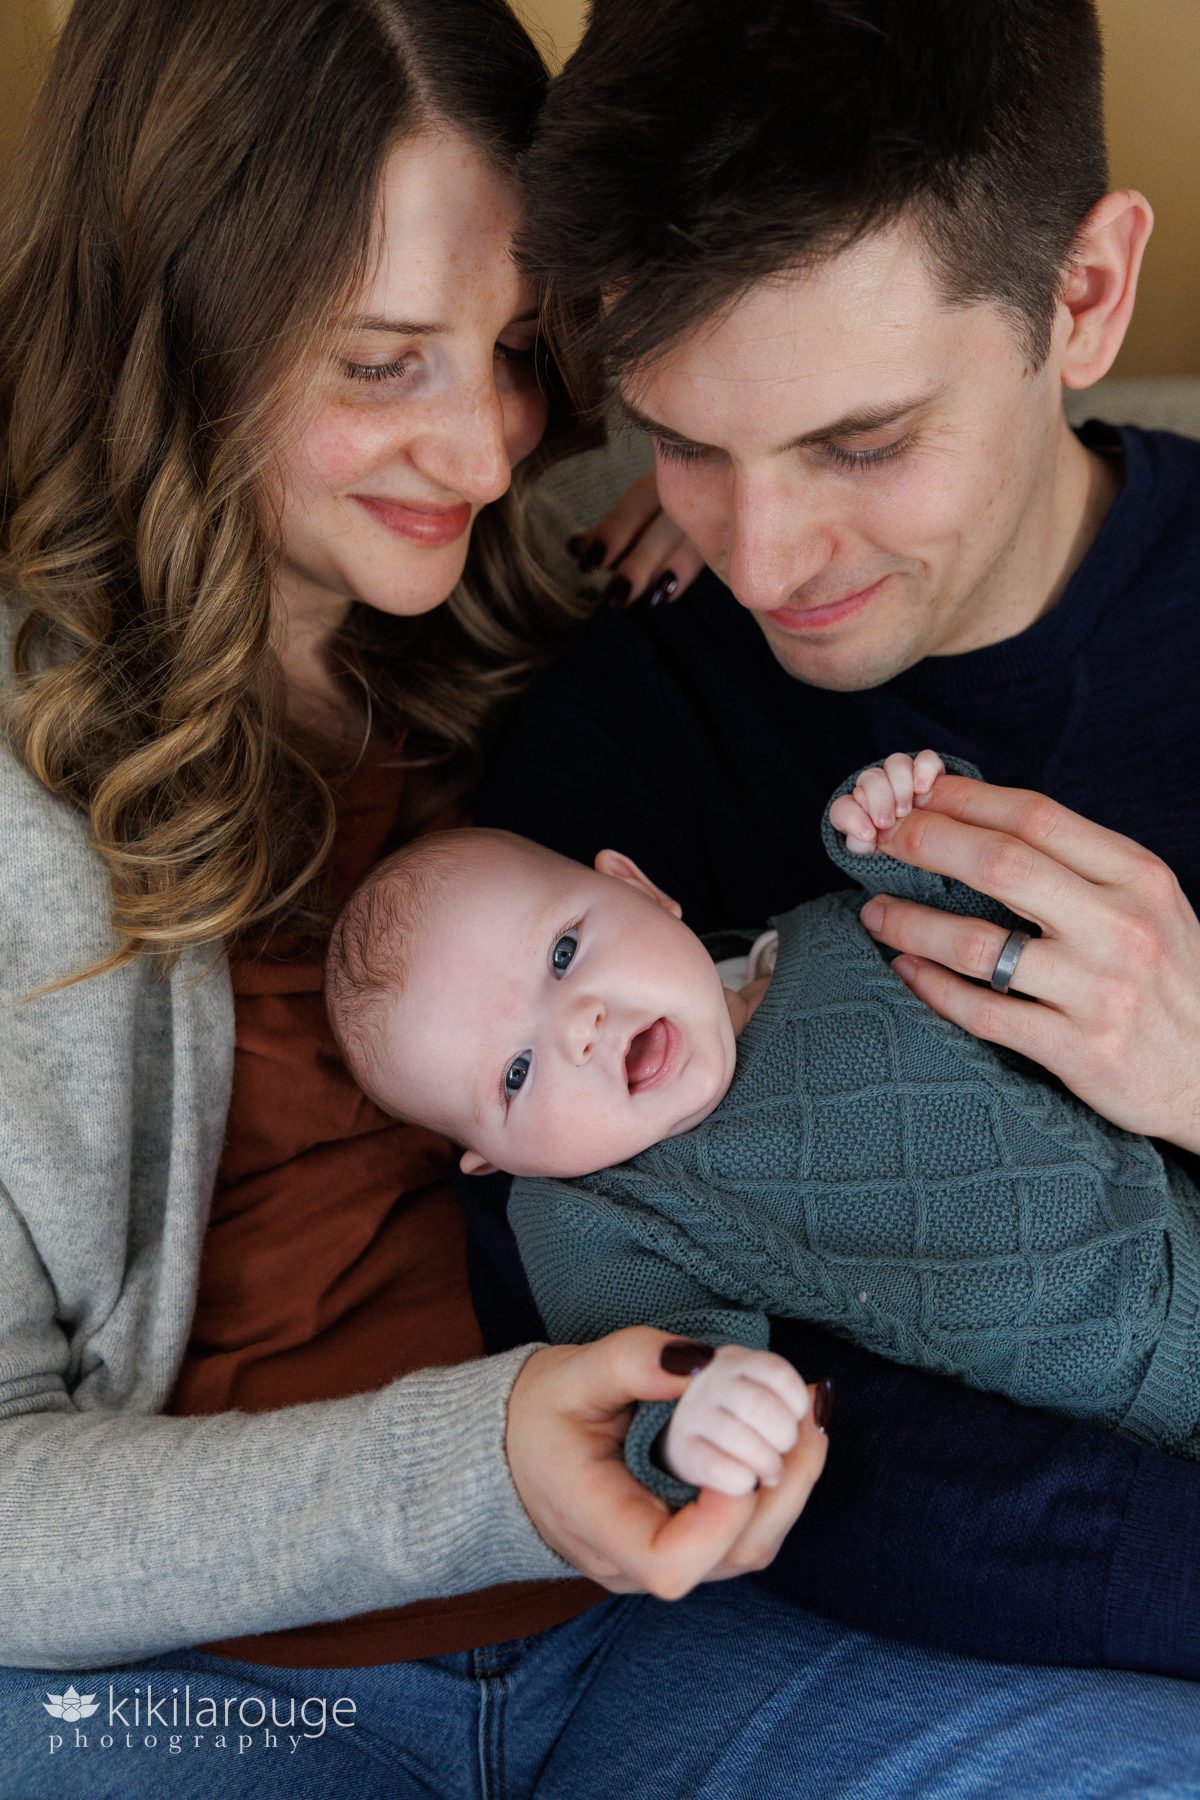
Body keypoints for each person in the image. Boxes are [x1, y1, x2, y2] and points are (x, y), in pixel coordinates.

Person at [4, 1, 1200, 1794]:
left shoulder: (542, 625)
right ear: (171, 327)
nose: (491, 456)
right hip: (217, 1666)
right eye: (380, 364)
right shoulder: (608, 700)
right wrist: (492, 1459)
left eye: (520, 358)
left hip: (674, 1636)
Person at [467, 0, 1200, 1683]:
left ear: (1086, 294)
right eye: (684, 443)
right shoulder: (619, 751)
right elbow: (658, 1397)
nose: (763, 558)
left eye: (859, 444)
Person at [327, 750, 1200, 1505]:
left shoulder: (837, 931)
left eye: (564, 954)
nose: (578, 1027)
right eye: (516, 1073)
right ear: (494, 1159)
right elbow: (642, 1372)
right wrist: (693, 1429)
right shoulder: (593, 1212)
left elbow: (1014, 933)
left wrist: (899, 826)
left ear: (639, 889)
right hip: (1135, 1433)